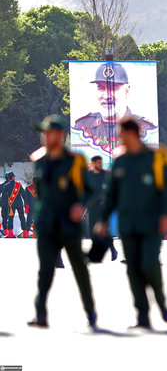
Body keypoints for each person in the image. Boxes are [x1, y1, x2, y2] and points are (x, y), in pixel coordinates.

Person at [95, 117, 167, 329]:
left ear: (131, 133)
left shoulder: (156, 159)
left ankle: (160, 299)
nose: (119, 137)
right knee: (133, 269)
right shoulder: (120, 161)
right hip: (128, 224)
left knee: (149, 262)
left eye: (121, 133)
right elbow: (111, 194)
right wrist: (102, 220)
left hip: (151, 223)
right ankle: (142, 316)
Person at [27, 115, 97, 328]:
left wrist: (80, 205)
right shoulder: (40, 160)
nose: (44, 137)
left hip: (69, 224)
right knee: (45, 269)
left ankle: (90, 311)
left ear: (60, 135)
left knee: (79, 268)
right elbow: (40, 191)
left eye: (48, 132)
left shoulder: (75, 161)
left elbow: (89, 190)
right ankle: (40, 313)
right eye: (43, 133)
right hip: (47, 224)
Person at [72, 62, 157, 154]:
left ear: (127, 91)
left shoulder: (147, 129)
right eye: (101, 88)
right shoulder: (82, 126)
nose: (106, 96)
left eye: (113, 88)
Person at [86, 155, 118, 262]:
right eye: (98, 163)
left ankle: (113, 250)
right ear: (93, 163)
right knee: (91, 230)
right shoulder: (88, 175)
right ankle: (98, 251)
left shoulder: (105, 175)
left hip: (103, 207)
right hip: (92, 206)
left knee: (103, 230)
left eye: (101, 162)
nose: (100, 164)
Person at [2, 172, 27, 238]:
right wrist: (26, 204)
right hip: (20, 204)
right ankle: (25, 234)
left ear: (8, 178)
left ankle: (10, 234)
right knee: (22, 218)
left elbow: (3, 197)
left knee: (10, 219)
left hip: (11, 205)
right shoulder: (19, 185)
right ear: (13, 177)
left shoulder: (6, 186)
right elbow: (24, 195)